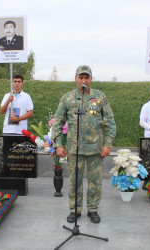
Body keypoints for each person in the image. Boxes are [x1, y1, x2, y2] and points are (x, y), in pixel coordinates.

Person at [51, 65, 116, 224]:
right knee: (74, 181)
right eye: (81, 77)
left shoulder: (100, 97)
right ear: (76, 79)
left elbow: (109, 122)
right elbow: (58, 123)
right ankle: (75, 209)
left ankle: (93, 209)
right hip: (75, 148)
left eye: (87, 77)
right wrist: (58, 144)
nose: (83, 80)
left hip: (95, 149)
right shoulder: (67, 98)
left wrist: (107, 143)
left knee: (95, 181)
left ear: (91, 79)